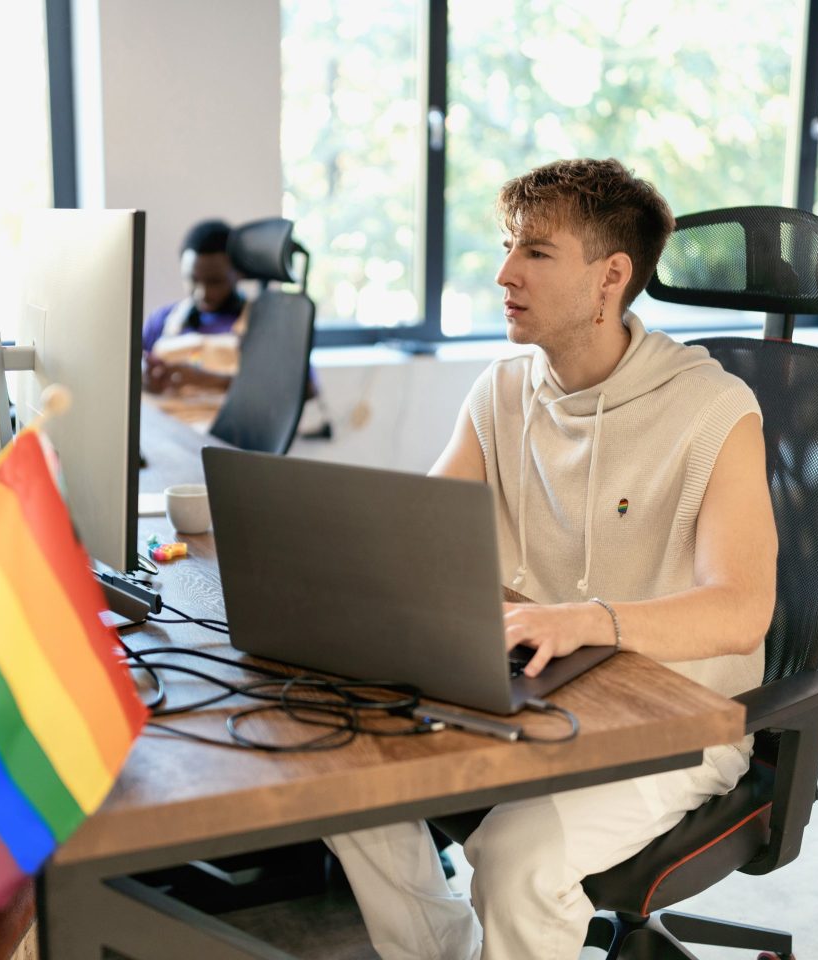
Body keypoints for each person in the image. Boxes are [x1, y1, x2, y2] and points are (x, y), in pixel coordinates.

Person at [325, 158, 778, 959]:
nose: (505, 272)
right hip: (537, 691)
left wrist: (587, 620)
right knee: (341, 779)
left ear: (611, 276)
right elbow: (427, 538)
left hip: (673, 722)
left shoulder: (715, 408)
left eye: (535, 252)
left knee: (516, 862)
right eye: (508, 246)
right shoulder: (502, 390)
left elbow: (742, 610)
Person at [142, 219, 247, 421]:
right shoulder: (162, 320)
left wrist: (206, 379)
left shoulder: (261, 326)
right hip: (163, 429)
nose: (202, 293)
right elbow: (127, 370)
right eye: (192, 280)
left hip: (223, 434)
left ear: (238, 273)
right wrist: (145, 378)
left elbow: (298, 392)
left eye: (215, 281)